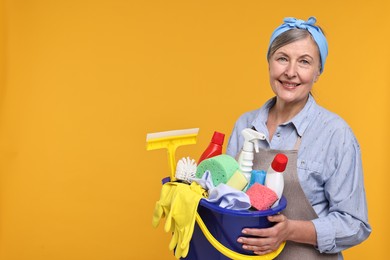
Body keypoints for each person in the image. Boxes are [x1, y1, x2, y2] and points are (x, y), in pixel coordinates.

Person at [226, 17, 371, 259]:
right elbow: (225, 199)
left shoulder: (335, 134)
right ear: (269, 63)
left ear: (318, 72)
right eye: (282, 58)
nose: (290, 72)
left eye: (304, 62)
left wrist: (290, 230)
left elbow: (355, 224)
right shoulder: (244, 124)